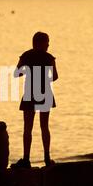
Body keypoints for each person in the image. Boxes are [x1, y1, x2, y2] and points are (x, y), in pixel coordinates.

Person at [11, 32, 58, 169]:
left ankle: (26, 159)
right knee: (44, 127)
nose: (49, 44)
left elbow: (16, 73)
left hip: (30, 93)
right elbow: (55, 76)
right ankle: (47, 158)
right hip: (45, 93)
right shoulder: (49, 57)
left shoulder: (26, 56)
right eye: (47, 42)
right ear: (40, 43)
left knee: (28, 128)